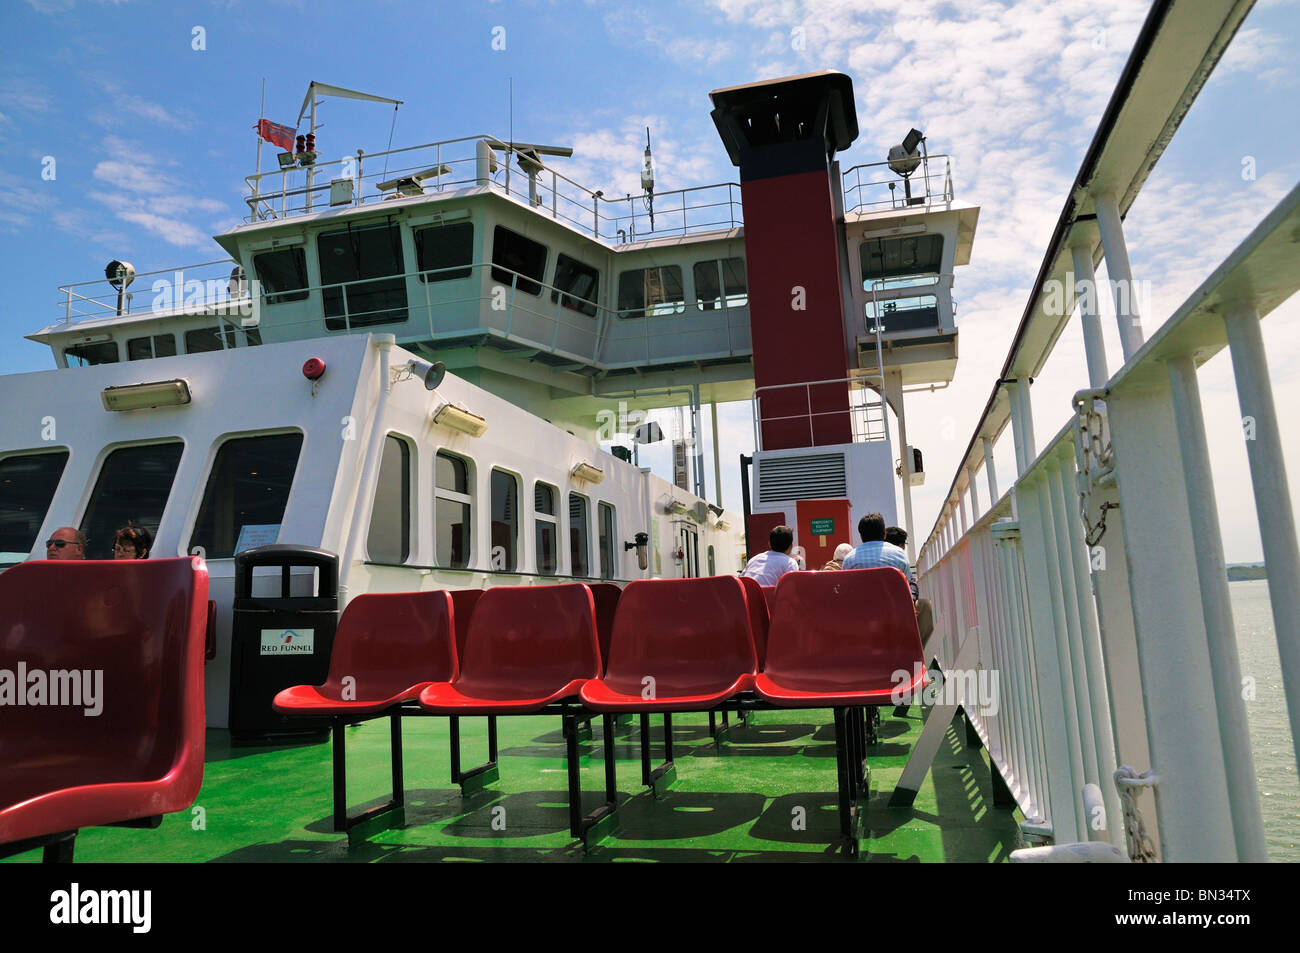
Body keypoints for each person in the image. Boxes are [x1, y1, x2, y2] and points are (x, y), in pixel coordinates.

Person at [843, 513, 918, 600]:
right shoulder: (899, 555)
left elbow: (847, 590)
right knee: (925, 604)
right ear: (884, 534)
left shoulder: (849, 560)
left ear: (861, 536)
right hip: (893, 611)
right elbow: (907, 587)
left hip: (861, 611)